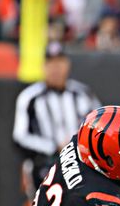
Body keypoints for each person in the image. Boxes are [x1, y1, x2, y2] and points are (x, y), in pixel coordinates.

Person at [12, 42, 100, 197]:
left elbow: (99, 128)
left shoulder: (83, 94)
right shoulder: (29, 97)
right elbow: (20, 137)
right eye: (51, 63)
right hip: (45, 167)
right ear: (43, 66)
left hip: (81, 165)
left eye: (59, 63)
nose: (56, 68)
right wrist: (53, 147)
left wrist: (77, 144)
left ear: (67, 64)